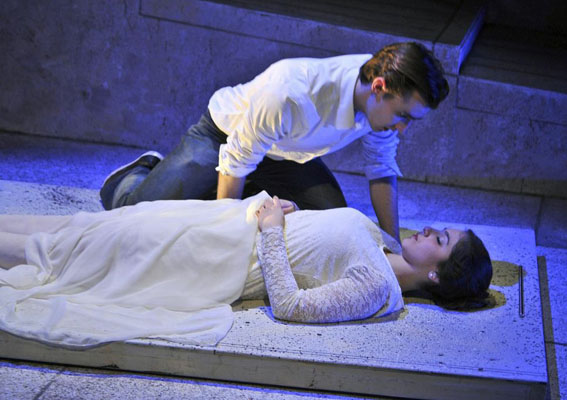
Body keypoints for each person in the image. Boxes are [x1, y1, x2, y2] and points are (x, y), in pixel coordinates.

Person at [0, 192, 492, 348]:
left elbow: (292, 306)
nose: (431, 230)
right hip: (227, 225)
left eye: (441, 240)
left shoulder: (376, 288)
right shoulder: (381, 244)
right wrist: (291, 214)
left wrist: (274, 231)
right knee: (97, 228)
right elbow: (317, 244)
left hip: (220, 257)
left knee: (88, 252)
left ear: (437, 275)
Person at [99, 42, 449, 241]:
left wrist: (393, 245)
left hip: (286, 155)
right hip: (225, 136)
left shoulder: (382, 101)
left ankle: (233, 190)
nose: (402, 128)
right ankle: (141, 172)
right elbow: (237, 160)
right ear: (379, 88)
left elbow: (382, 170)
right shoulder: (290, 90)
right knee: (135, 220)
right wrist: (226, 236)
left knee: (334, 228)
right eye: (403, 116)